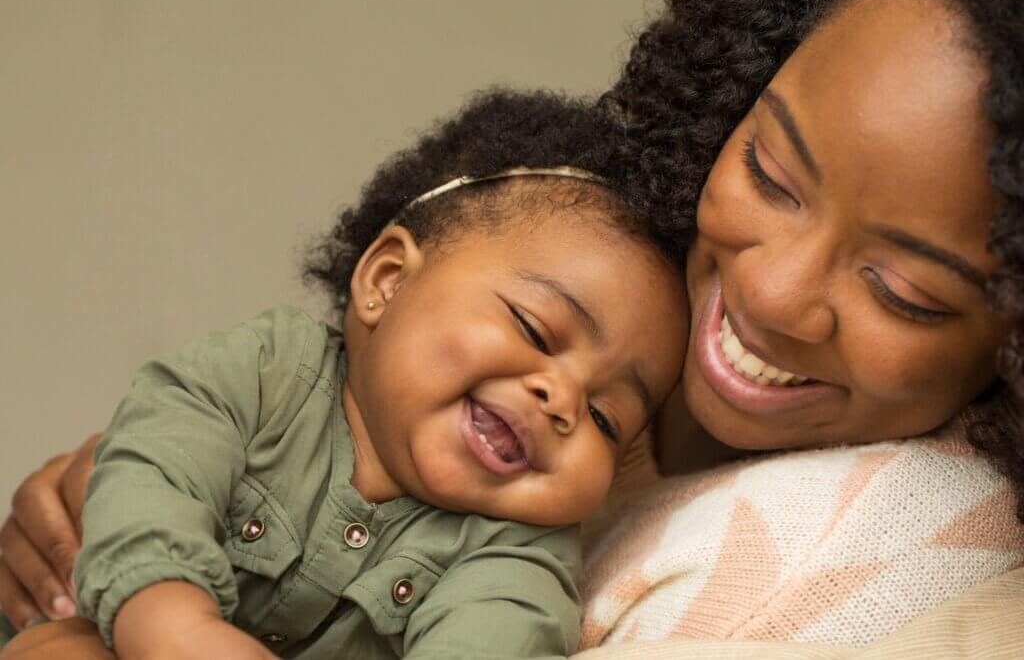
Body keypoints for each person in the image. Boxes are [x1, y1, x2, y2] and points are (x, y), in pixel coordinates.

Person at [4, 0, 1024, 656]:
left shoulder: (917, 534)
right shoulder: (605, 276)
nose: (769, 290)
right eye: (767, 168)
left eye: (905, 291)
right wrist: (127, 523)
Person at [0, 89, 691, 659]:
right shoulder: (266, 372)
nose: (563, 398)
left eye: (607, 418)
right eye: (537, 329)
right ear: (386, 281)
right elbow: (154, 474)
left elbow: (499, 638)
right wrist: (176, 628)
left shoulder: (519, 551)